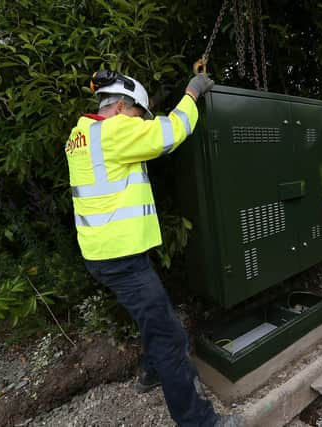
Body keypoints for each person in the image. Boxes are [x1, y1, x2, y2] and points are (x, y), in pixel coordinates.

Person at [65, 70, 241, 427]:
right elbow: (172, 131)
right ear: (119, 108)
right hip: (122, 257)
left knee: (151, 316)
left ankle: (151, 371)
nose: (139, 123)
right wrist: (192, 93)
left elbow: (131, 134)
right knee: (170, 337)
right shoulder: (116, 131)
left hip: (103, 253)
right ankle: (199, 422)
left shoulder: (81, 134)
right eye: (136, 115)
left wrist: (151, 103)